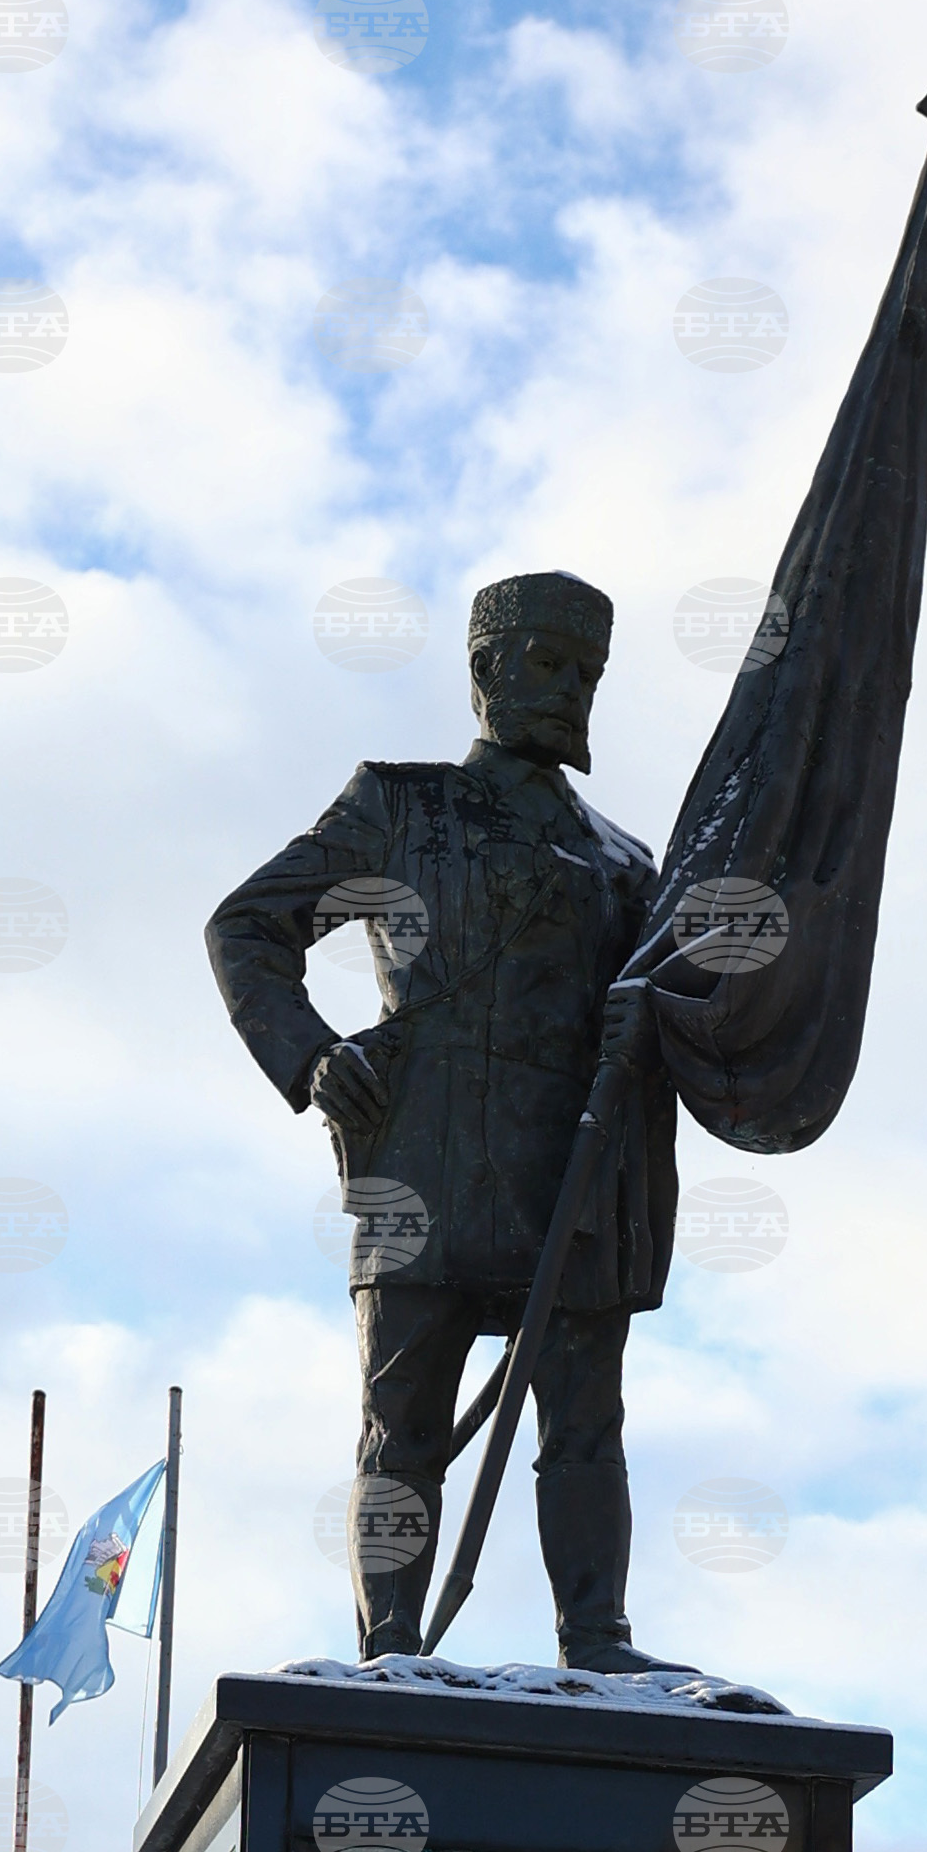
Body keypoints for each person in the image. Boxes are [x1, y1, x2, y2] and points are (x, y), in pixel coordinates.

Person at [205, 567, 683, 1666]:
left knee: (586, 1423)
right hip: (422, 1157)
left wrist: (651, 1022)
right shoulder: (401, 806)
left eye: (588, 673)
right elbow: (248, 927)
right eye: (549, 663)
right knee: (403, 1425)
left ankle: (598, 1640)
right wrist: (310, 1054)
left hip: (571, 1171)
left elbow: (677, 1008)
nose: (570, 690)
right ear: (485, 670)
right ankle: (392, 1644)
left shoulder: (627, 862)